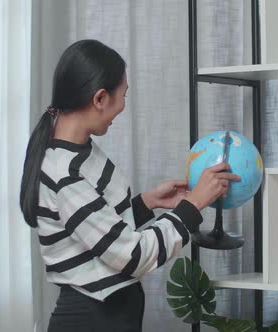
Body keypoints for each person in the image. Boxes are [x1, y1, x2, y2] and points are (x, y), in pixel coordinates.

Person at [19, 39, 240, 332]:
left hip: (108, 317)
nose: (123, 106)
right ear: (99, 98)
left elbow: (96, 230)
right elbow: (131, 256)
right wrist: (193, 206)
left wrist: (146, 203)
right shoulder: (65, 174)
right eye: (123, 95)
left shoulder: (81, 151)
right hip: (92, 321)